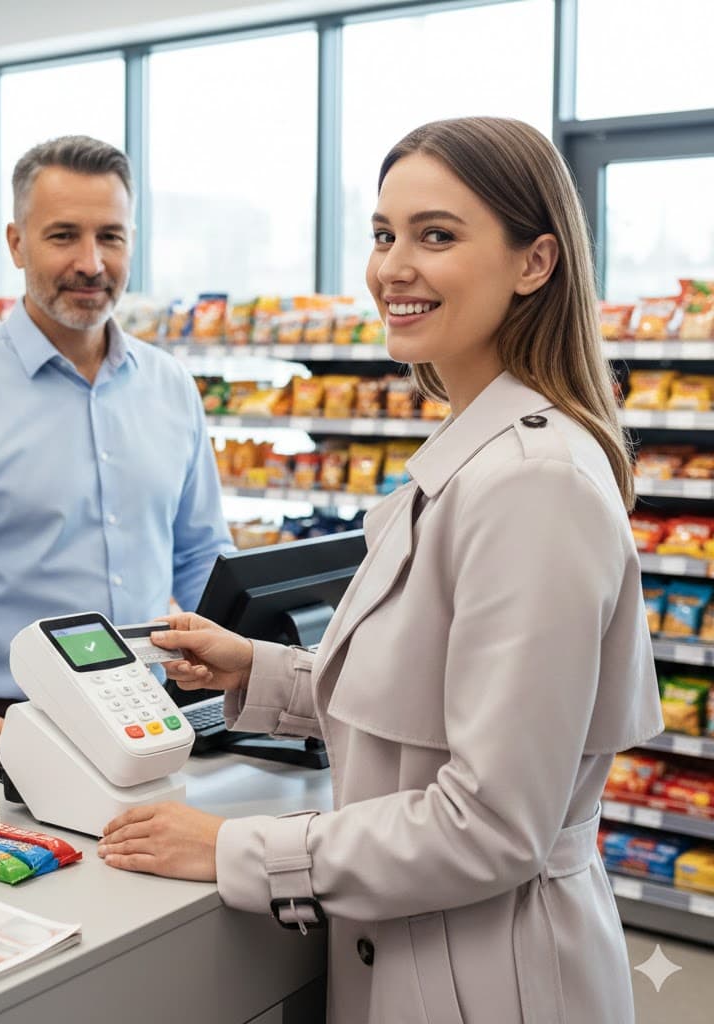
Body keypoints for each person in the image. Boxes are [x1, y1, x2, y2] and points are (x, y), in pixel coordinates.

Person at [97, 116, 663, 1023]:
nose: (392, 266)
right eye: (384, 234)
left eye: (436, 235)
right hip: (435, 950)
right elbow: (437, 706)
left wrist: (235, 846)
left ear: (535, 262)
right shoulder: (476, 450)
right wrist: (264, 671)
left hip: (492, 977)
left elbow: (491, 827)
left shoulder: (533, 485)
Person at [0, 135, 233, 769]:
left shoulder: (171, 386)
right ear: (15, 242)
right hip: (7, 729)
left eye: (111, 236)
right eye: (64, 236)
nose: (91, 263)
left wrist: (249, 663)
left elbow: (200, 555)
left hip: (156, 714)